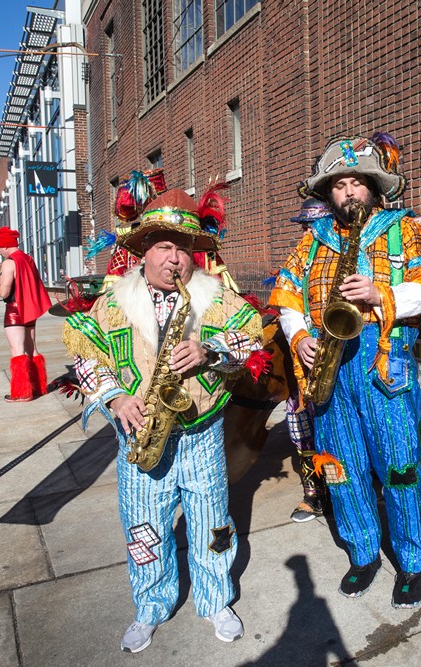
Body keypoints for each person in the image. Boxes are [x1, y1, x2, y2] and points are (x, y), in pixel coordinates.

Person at [63, 186, 263, 653]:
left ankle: (216, 599)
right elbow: (83, 357)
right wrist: (114, 398)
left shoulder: (216, 299)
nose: (175, 259)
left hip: (201, 433)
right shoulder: (113, 303)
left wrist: (211, 350)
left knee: (214, 522)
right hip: (141, 433)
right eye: (164, 247)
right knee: (143, 527)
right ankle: (151, 605)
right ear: (144, 252)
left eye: (183, 249)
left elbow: (253, 340)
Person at [269, 133, 421, 608]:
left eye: (356, 183)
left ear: (372, 187)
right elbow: (286, 297)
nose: (348, 192)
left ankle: (412, 562)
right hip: (328, 367)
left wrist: (381, 296)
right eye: (339, 185)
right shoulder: (312, 241)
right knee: (341, 469)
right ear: (328, 193)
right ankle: (364, 552)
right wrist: (300, 337)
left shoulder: (402, 229)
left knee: (399, 467)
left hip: (382, 367)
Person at [284, 197, 331, 523]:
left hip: (339, 358)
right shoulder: (298, 258)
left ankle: (344, 494)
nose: (306, 231)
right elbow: (286, 301)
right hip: (304, 364)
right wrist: (299, 337)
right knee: (299, 425)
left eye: (312, 225)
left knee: (336, 431)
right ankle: (313, 493)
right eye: (304, 225)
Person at [0, 227, 52, 403]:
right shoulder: (28, 259)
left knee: (17, 350)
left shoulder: (9, 263)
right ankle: (38, 387)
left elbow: (3, 292)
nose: (0, 251)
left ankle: (22, 392)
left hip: (15, 311)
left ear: (5, 246)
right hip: (29, 309)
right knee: (32, 349)